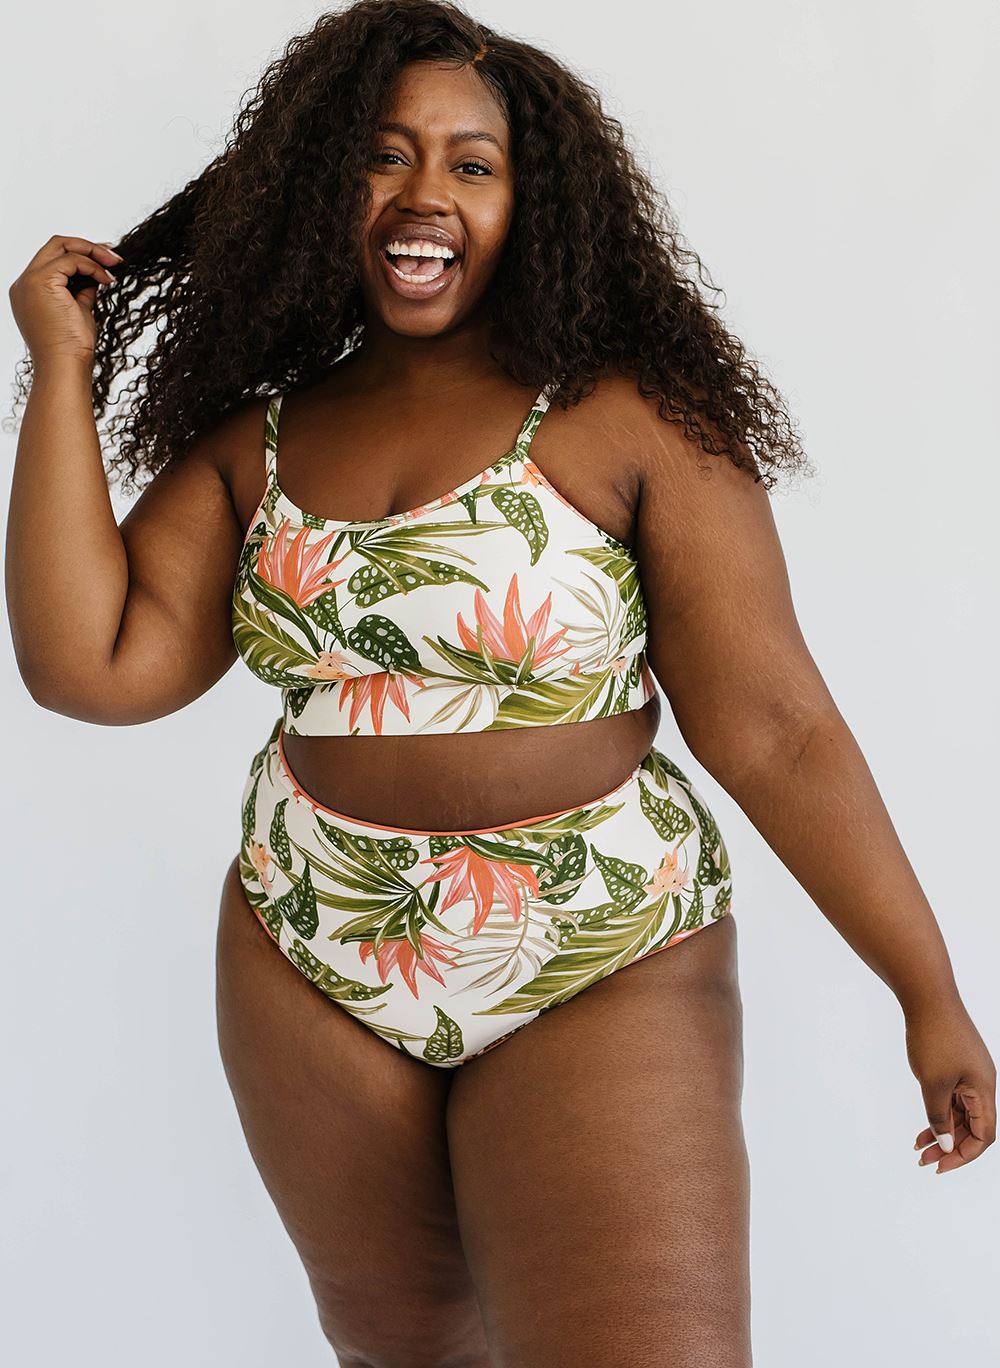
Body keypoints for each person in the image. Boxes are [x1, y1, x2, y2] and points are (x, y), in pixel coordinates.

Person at [6, 2, 994, 1364]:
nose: (425, 196)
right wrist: (61, 368)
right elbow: (89, 666)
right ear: (320, 188)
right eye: (385, 155)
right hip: (313, 942)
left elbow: (776, 730)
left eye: (473, 165)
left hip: (597, 942)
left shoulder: (632, 417)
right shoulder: (259, 445)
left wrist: (926, 989)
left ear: (535, 203)